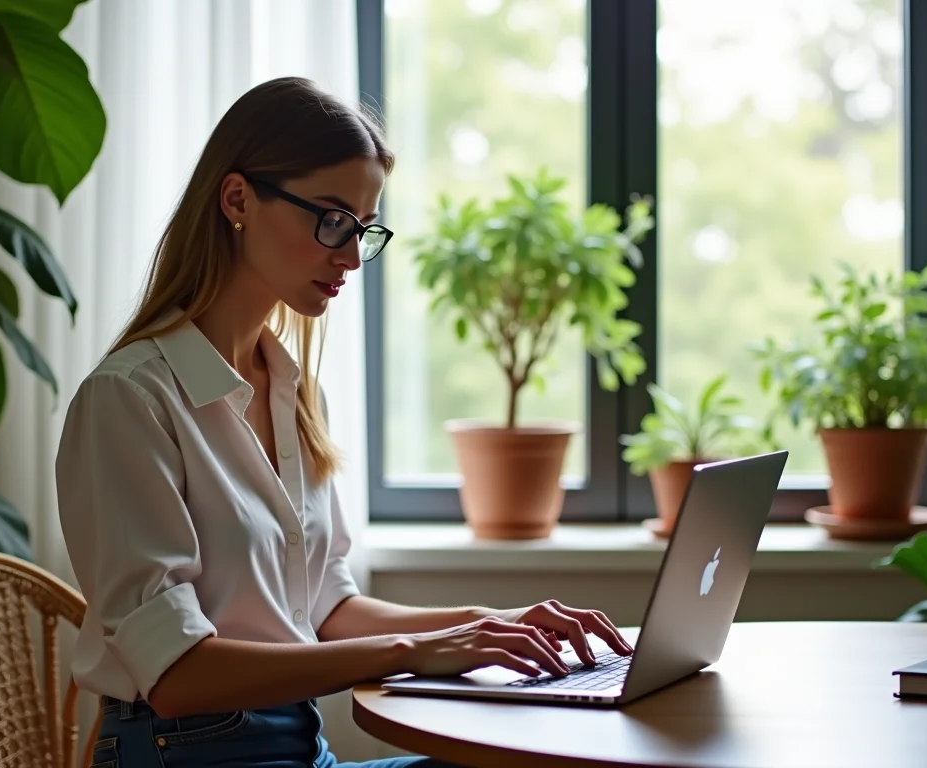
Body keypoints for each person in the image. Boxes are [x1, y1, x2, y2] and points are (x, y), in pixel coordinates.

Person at [55, 76, 635, 768]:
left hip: (299, 749)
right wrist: (415, 650)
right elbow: (177, 677)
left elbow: (327, 608)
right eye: (332, 220)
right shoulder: (130, 399)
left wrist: (490, 625)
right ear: (237, 200)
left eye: (363, 229)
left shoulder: (294, 392)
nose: (353, 256)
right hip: (182, 754)